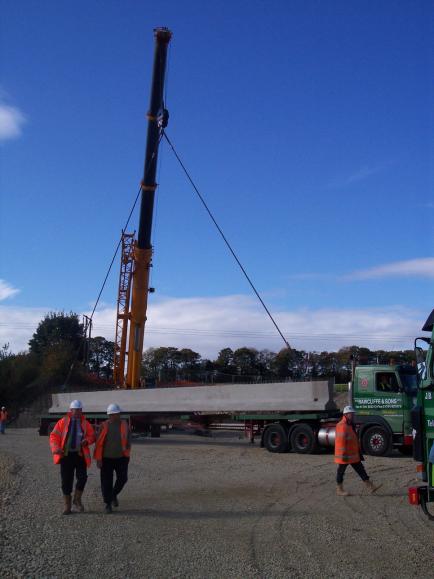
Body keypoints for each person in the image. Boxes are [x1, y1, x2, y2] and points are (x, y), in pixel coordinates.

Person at [49, 400, 95, 515]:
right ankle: (67, 505)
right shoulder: (62, 422)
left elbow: (92, 436)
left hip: (80, 455)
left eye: (80, 410)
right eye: (76, 410)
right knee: (66, 481)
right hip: (66, 455)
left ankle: (77, 500)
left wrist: (87, 441)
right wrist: (56, 448)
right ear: (71, 410)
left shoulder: (85, 423)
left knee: (83, 477)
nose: (78, 412)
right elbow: (54, 436)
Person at [335, 405, 382, 496]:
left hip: (352, 454)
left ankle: (370, 486)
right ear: (346, 414)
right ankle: (339, 489)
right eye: (351, 414)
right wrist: (343, 455)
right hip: (344, 456)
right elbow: (340, 441)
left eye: (353, 414)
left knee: (361, 469)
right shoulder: (342, 426)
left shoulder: (349, 425)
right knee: (341, 471)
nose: (353, 416)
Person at [94, 403, 131, 514]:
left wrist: (127, 455)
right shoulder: (104, 426)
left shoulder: (124, 424)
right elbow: (99, 444)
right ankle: (108, 503)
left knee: (123, 479)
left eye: (117, 414)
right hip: (106, 459)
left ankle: (113, 494)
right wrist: (99, 459)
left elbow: (128, 440)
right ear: (110, 415)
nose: (116, 416)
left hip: (121, 458)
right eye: (114, 414)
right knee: (106, 482)